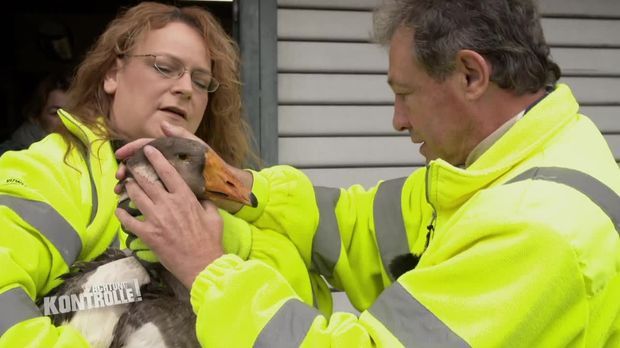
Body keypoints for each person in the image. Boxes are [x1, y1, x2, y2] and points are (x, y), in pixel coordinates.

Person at [115, 0, 620, 346]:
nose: (398, 120)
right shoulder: (500, 164)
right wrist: (246, 189)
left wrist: (208, 270)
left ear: (471, 75)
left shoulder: (536, 227)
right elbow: (357, 225)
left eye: (405, 94)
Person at [0, 2, 324, 346]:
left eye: (202, 82)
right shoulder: (46, 172)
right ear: (112, 74)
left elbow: (296, 308)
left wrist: (218, 247)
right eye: (165, 67)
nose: (186, 88)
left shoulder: (227, 190)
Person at [0, 69, 71, 155]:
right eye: (56, 113)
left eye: (73, 112)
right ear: (35, 117)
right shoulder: (12, 154)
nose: (67, 119)